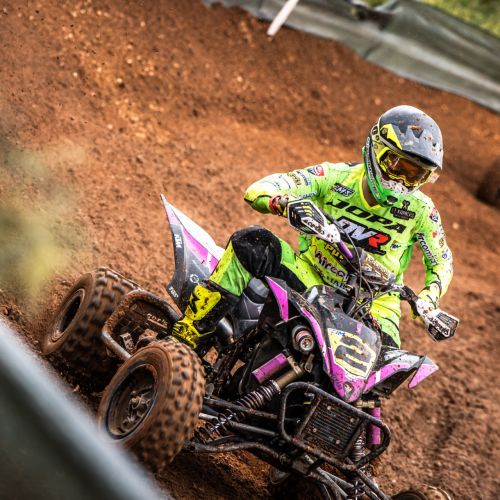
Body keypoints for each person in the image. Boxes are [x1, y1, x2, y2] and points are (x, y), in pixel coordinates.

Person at [172, 105, 453, 349]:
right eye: (398, 167)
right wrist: (285, 204)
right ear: (377, 149)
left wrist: (429, 299)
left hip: (375, 305)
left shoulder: (422, 210)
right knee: (252, 242)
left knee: (382, 368)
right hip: (313, 278)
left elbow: (441, 262)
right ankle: (189, 334)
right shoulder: (334, 178)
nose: (402, 182)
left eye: (415, 176)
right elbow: (259, 189)